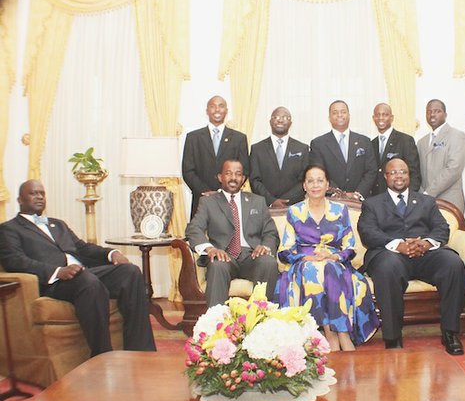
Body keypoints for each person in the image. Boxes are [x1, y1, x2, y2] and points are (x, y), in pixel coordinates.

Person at [0, 180, 156, 356]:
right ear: (20, 200)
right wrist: (58, 271)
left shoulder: (58, 224)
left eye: (42, 193)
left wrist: (112, 253)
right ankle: (102, 355)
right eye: (33, 193)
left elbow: (82, 248)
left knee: (130, 272)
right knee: (88, 281)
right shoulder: (9, 229)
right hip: (54, 282)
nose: (39, 197)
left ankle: (141, 350)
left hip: (81, 272)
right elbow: (15, 261)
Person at [358, 158, 465, 354]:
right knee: (387, 267)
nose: (398, 176)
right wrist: (398, 245)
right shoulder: (372, 204)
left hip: (424, 254)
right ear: (385, 177)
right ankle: (393, 337)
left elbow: (442, 228)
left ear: (409, 175)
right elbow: (368, 232)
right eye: (393, 172)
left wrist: (426, 244)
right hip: (390, 254)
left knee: (453, 263)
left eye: (403, 172)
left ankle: (450, 333)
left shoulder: (426, 201)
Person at [275, 164, 379, 351]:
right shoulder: (295, 211)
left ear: (327, 184)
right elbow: (285, 249)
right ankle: (331, 333)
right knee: (314, 270)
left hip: (334, 261)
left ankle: (342, 333)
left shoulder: (340, 210)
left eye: (320, 180)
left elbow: (350, 246)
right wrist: (303, 258)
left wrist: (333, 255)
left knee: (329, 268)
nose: (315, 185)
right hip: (305, 263)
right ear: (304, 186)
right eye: (310, 181)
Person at [185, 159, 279, 306]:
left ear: (243, 179)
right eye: (228, 173)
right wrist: (210, 249)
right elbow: (194, 228)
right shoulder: (208, 202)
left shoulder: (257, 201)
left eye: (238, 174)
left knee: (268, 262)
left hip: (252, 256)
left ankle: (262, 319)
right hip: (224, 255)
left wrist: (265, 247)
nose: (233, 178)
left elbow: (271, 232)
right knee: (217, 265)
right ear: (220, 177)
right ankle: (216, 322)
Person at [182, 95, 250, 218]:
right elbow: (188, 171)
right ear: (207, 111)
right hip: (201, 200)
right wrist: (205, 191)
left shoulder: (239, 138)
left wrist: (222, 191)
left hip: (230, 200)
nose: (217, 110)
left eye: (221, 106)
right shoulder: (193, 137)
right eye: (212, 106)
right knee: (199, 236)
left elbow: (244, 169)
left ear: (226, 111)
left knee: (230, 236)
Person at [310, 100, 377, 199]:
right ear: (329, 118)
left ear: (349, 115)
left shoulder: (364, 141)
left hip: (361, 201)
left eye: (343, 112)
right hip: (331, 201)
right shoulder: (318, 144)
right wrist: (338, 193)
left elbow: (371, 170)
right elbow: (319, 173)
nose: (339, 115)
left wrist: (358, 193)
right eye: (335, 113)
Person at [249, 107, 309, 208]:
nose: (280, 120)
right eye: (276, 117)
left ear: (290, 123)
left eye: (285, 117)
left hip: (295, 206)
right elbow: (254, 180)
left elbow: (304, 180)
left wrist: (286, 201)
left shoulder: (303, 148)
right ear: (270, 121)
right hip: (264, 206)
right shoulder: (257, 149)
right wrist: (272, 200)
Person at [416, 99, 465, 213]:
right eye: (429, 112)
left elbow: (454, 169)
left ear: (445, 114)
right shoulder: (421, 142)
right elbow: (417, 172)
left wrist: (428, 193)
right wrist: (421, 195)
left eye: (437, 111)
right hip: (424, 204)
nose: (432, 114)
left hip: (449, 202)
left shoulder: (457, 136)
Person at [370, 103, 421, 195]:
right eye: (378, 115)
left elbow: (414, 173)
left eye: (385, 115)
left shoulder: (405, 140)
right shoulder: (371, 144)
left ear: (392, 118)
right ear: (373, 118)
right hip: (377, 200)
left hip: (400, 197)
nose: (381, 118)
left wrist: (408, 197)